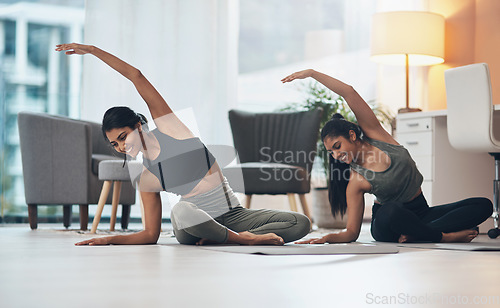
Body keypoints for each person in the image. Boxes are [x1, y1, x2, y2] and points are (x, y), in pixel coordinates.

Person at [55, 43, 311, 246]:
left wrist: (92, 50)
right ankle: (240, 239)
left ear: (137, 125)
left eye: (123, 137)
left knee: (300, 223)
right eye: (115, 144)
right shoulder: (145, 177)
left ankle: (222, 238)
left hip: (234, 215)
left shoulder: (171, 130)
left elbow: (136, 76)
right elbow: (149, 234)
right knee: (181, 212)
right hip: (193, 224)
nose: (121, 147)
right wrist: (109, 239)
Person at [281, 69, 493, 244]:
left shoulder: (376, 134)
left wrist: (311, 73)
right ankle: (442, 237)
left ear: (352, 136)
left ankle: (417, 234)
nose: (336, 155)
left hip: (421, 212)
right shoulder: (356, 180)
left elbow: (349, 92)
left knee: (483, 205)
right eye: (331, 152)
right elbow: (352, 233)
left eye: (337, 146)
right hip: (387, 223)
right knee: (392, 210)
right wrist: (326, 237)